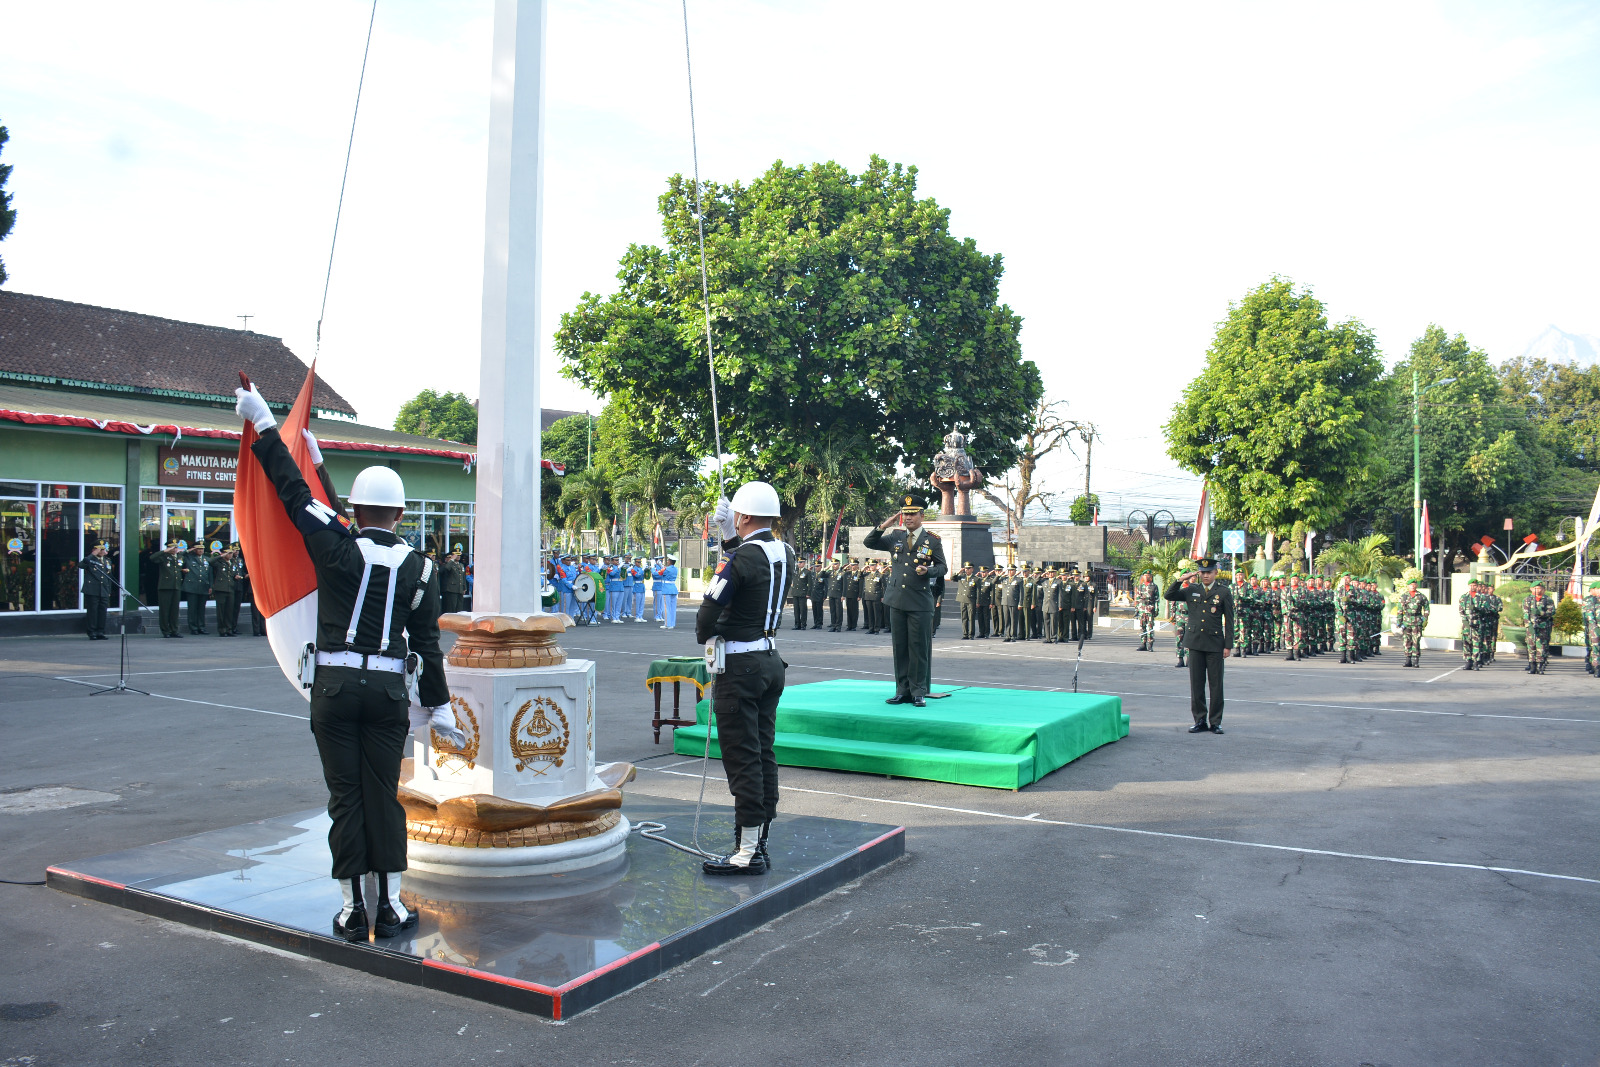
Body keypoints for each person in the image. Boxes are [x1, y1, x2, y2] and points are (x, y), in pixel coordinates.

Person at [236, 383, 462, 943]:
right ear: (403, 512)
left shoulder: (336, 546)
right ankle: (388, 907)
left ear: (356, 510)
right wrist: (439, 707)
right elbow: (428, 644)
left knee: (345, 797)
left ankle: (347, 908)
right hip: (387, 694)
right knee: (383, 796)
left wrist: (267, 424)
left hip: (334, 690)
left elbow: (295, 496)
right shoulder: (423, 569)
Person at [699, 481, 796, 876]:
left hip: (740, 668)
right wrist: (727, 539)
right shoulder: (785, 551)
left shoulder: (740, 559)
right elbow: (750, 568)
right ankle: (760, 841)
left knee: (742, 759)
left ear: (742, 516)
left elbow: (710, 608)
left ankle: (746, 851)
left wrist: (707, 637)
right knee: (763, 754)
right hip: (771, 659)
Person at [863, 494, 946, 705]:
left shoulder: (932, 540)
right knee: (899, 647)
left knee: (918, 648)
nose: (908, 518)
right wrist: (885, 524)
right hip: (897, 600)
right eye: (905, 514)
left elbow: (942, 567)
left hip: (919, 601)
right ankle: (902, 690)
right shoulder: (895, 537)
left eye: (912, 514)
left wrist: (928, 570)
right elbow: (869, 542)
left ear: (921, 515)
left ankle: (918, 691)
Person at [1165, 557, 1234, 733]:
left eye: (1208, 572)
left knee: (1216, 685)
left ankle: (1216, 721)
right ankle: (1199, 720)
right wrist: (1181, 579)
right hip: (1195, 642)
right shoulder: (1191, 589)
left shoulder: (1223, 592)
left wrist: (1228, 645)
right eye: (1202, 572)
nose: (1205, 576)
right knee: (1196, 684)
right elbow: (1169, 595)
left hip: (1214, 644)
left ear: (1215, 573)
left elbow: (1230, 621)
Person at [78, 541, 113, 640]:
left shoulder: (107, 560)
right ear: (94, 549)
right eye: (100, 549)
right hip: (92, 590)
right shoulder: (90, 559)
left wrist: (109, 591)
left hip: (104, 590)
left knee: (102, 611)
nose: (102, 551)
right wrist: (92, 554)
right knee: (93, 611)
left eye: (103, 549)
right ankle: (92, 632)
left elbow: (108, 577)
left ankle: (100, 631)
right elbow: (81, 565)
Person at [1522, 582, 1556, 675]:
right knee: (1531, 646)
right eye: (1536, 588)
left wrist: (1540, 613)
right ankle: (1532, 666)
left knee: (1541, 646)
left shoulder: (1548, 600)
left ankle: (1540, 666)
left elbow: (1551, 612)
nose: (1538, 590)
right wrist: (1529, 625)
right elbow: (1525, 614)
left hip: (1543, 626)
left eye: (1540, 588)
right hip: (1531, 627)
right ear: (1531, 589)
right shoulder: (1527, 600)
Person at [1397, 579, 1430, 667]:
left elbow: (1426, 608)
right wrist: (1399, 622)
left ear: (1416, 586)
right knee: (1407, 640)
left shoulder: (1421, 596)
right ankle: (1408, 659)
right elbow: (1400, 610)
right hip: (1406, 620)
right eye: (1411, 584)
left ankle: (1416, 659)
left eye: (1414, 584)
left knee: (1416, 640)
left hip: (1417, 620)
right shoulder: (1403, 596)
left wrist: (1425, 618)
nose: (1413, 586)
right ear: (1408, 586)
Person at [181, 542, 212, 634]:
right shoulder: (189, 558)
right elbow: (180, 555)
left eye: (202, 549)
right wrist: (188, 550)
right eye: (198, 549)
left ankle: (201, 627)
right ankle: (193, 627)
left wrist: (210, 586)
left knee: (201, 608)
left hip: (203, 586)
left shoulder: (207, 559)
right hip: (192, 587)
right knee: (192, 609)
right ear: (194, 549)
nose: (200, 550)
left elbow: (210, 574)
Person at [156, 540, 184, 638]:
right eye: (173, 547)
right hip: (165, 586)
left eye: (176, 547)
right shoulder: (163, 557)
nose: (175, 549)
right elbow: (152, 558)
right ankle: (165, 630)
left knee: (174, 610)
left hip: (176, 586)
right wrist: (164, 551)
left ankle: (174, 630)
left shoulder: (180, 557)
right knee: (165, 610)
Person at [212, 544, 239, 637]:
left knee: (229, 611)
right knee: (221, 611)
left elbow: (233, 574)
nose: (231, 555)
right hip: (221, 589)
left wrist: (236, 576)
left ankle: (229, 629)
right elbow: (210, 562)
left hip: (230, 588)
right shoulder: (219, 562)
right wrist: (221, 556)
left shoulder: (233, 563)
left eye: (231, 553)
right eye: (228, 553)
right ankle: (222, 630)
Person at [1134, 572, 1159, 652]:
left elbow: (1157, 599)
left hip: (1150, 608)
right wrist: (1136, 609)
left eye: (1148, 575)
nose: (1147, 576)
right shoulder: (1141, 586)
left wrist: (1156, 610)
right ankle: (1143, 644)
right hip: (1142, 609)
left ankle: (1150, 645)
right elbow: (1137, 598)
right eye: (1145, 575)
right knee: (1142, 627)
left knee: (1150, 627)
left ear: (1151, 577)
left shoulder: (1154, 586)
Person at [654, 555, 679, 629]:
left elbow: (657, 573)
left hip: (667, 589)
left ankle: (667, 624)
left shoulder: (667, 569)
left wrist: (659, 565)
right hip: (673, 589)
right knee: (672, 608)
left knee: (666, 607)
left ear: (670, 561)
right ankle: (672, 624)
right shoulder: (675, 569)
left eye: (668, 560)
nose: (667, 561)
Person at [440, 548, 466, 614]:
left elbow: (463, 577)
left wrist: (464, 587)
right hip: (452, 589)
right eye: (457, 555)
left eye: (459, 555)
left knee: (459, 609)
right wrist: (451, 559)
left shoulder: (461, 565)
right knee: (452, 609)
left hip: (459, 589)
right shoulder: (450, 564)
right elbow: (447, 568)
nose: (459, 556)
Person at [1583, 580, 1600, 677]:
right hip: (1595, 627)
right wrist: (1595, 626)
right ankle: (1597, 668)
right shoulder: (1591, 601)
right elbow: (1589, 614)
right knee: (1596, 648)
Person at [955, 562, 977, 639]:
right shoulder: (961, 577)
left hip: (971, 600)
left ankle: (971, 634)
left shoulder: (975, 579)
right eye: (966, 568)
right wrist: (959, 572)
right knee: (964, 618)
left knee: (971, 618)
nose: (967, 570)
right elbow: (953, 578)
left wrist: (977, 602)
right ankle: (965, 634)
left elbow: (978, 591)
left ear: (972, 569)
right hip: (962, 600)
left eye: (968, 568)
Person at [843, 559, 862, 631]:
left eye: (854, 565)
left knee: (854, 611)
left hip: (855, 594)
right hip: (848, 594)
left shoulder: (859, 573)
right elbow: (843, 572)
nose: (852, 566)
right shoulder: (848, 573)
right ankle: (849, 625)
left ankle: (854, 625)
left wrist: (860, 595)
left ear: (857, 565)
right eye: (851, 565)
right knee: (849, 610)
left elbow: (860, 585)